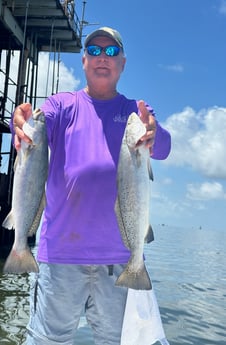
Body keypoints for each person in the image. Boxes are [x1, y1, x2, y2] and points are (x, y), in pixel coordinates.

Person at [12, 27, 171, 345]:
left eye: (111, 52)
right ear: (83, 60)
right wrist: (19, 121)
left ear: (123, 63)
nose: (103, 57)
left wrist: (154, 134)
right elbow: (31, 124)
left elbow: (163, 147)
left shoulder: (135, 113)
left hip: (119, 258)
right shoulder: (61, 105)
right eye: (94, 50)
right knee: (46, 340)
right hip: (59, 255)